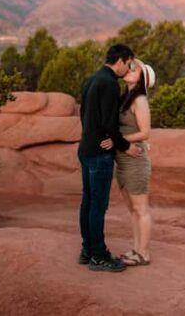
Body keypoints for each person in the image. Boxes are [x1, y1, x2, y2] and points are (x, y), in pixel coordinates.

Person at [78, 43, 141, 272]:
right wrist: (124, 146)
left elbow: (84, 114)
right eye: (130, 63)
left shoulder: (92, 79)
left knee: (88, 203)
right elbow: (109, 123)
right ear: (121, 61)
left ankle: (87, 250)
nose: (129, 68)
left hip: (85, 149)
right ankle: (98, 255)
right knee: (97, 206)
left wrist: (92, 136)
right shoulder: (110, 84)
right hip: (98, 154)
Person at [100, 59, 156, 266]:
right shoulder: (126, 98)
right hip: (123, 160)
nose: (130, 70)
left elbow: (145, 132)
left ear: (142, 79)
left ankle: (144, 253)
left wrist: (118, 141)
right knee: (132, 209)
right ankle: (136, 249)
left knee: (141, 209)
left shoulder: (139, 99)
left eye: (135, 69)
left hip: (135, 161)